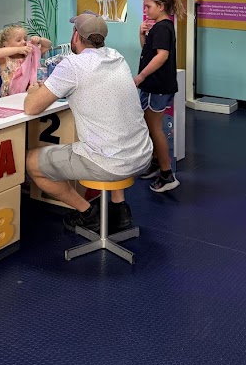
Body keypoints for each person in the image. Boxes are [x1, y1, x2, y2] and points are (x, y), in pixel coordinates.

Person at [24, 12, 152, 234]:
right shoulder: (116, 57)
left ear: (76, 37)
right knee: (110, 136)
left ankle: (87, 213)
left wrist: (34, 89)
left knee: (31, 162)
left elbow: (31, 107)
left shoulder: (73, 65)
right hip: (142, 154)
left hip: (110, 163)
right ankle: (119, 208)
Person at [135, 0, 184, 193]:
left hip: (158, 86)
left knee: (155, 128)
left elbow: (161, 56)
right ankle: (156, 163)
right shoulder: (159, 27)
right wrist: (142, 34)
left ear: (161, 6)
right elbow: (147, 51)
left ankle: (167, 174)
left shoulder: (163, 27)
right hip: (153, 86)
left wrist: (142, 76)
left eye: (148, 6)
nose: (146, 10)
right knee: (150, 125)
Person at [0, 24, 52, 96]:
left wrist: (40, 40)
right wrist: (18, 49)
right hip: (9, 97)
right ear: (6, 45)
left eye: (25, 39)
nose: (24, 42)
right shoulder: (5, 60)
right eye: (18, 40)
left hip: (28, 94)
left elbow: (47, 46)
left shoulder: (30, 54)